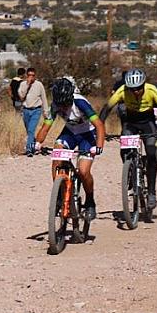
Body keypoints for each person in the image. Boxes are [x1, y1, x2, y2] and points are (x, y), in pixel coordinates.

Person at [34, 77, 105, 220]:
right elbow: (46, 126)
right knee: (57, 154)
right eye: (60, 104)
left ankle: (90, 201)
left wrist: (99, 146)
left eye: (66, 104)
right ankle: (59, 194)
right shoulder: (55, 105)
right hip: (70, 132)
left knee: (83, 171)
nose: (63, 108)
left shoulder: (80, 103)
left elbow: (99, 125)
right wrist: (37, 143)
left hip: (87, 134)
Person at [99, 68, 157, 210]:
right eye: (132, 89)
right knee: (124, 150)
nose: (135, 91)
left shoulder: (151, 90)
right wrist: (100, 128)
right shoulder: (122, 91)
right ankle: (130, 172)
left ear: (143, 84)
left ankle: (151, 192)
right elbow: (106, 108)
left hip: (148, 123)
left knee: (152, 155)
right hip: (130, 122)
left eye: (138, 88)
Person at [18, 67, 48, 156]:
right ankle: (34, 145)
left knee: (31, 129)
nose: (31, 77)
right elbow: (21, 96)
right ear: (26, 75)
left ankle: (29, 149)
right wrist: (27, 85)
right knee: (29, 130)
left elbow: (44, 98)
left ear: (35, 76)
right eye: (29, 75)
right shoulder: (23, 84)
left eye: (33, 75)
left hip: (36, 110)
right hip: (26, 110)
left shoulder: (39, 85)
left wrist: (45, 111)